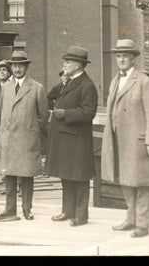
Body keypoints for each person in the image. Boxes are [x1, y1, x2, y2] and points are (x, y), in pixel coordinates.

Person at [101, 39, 149, 238]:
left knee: (142, 182)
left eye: (125, 56)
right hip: (119, 140)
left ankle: (143, 224)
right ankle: (131, 219)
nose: (121, 59)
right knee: (126, 180)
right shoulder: (115, 80)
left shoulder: (144, 81)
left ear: (133, 58)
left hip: (138, 140)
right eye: (118, 56)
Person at [46, 46, 98, 227]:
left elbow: (88, 112)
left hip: (77, 140)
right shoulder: (70, 82)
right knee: (66, 175)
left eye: (68, 61)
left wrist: (64, 114)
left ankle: (81, 216)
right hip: (67, 138)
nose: (64, 64)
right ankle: (67, 211)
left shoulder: (87, 85)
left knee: (80, 177)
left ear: (77, 64)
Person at [0, 50, 48, 220]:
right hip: (9, 138)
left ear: (26, 67)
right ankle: (10, 208)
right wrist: (2, 134)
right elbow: (2, 111)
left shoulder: (36, 88)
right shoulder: (6, 88)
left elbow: (43, 116)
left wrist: (31, 131)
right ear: (11, 67)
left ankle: (27, 209)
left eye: (21, 65)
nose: (18, 69)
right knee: (9, 175)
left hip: (27, 139)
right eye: (15, 65)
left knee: (26, 176)